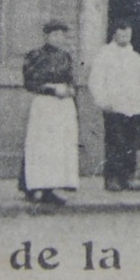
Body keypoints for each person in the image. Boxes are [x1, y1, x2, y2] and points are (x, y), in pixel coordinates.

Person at [88, 20, 140, 192]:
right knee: (115, 143)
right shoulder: (104, 55)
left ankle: (128, 177)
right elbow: (96, 81)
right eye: (121, 33)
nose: (124, 37)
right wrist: (103, 101)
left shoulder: (135, 57)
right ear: (114, 34)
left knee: (131, 144)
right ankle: (112, 178)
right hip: (114, 106)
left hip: (134, 107)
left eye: (128, 34)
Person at [22, 20, 79, 206]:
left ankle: (51, 187)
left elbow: (71, 79)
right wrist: (51, 90)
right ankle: (35, 186)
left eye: (62, 35)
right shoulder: (35, 55)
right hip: (45, 105)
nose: (58, 38)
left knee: (58, 147)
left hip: (62, 107)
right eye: (55, 34)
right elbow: (30, 82)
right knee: (41, 145)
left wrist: (70, 90)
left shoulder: (66, 57)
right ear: (47, 36)